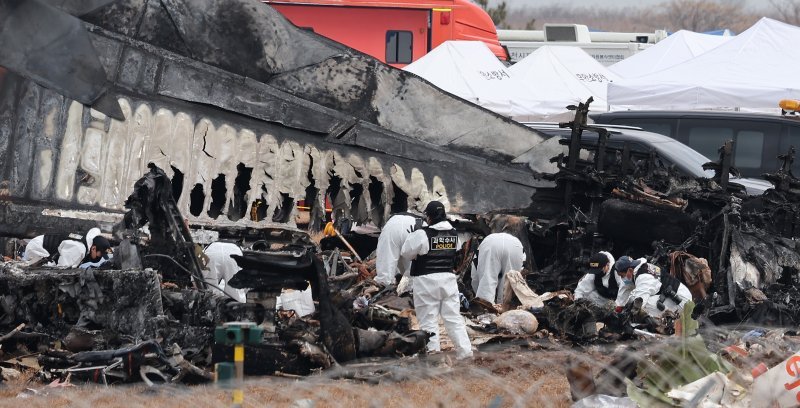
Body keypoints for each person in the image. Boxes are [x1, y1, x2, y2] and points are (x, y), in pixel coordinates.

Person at [399, 201, 473, 360]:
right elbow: (456, 252)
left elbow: (406, 253)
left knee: (428, 321)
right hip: (448, 281)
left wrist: (413, 235)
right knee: (454, 319)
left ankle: (433, 355)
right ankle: (465, 353)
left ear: (430, 217)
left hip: (426, 282)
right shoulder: (454, 234)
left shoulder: (422, 234)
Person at [615, 256, 692, 318]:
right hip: (672, 295)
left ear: (630, 270)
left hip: (681, 301)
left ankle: (660, 326)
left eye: (622, 276)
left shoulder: (644, 277)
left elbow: (639, 303)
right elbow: (624, 288)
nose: (622, 278)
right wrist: (618, 307)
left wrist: (624, 316)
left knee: (641, 306)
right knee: (633, 300)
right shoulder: (637, 268)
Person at [472, 231, 525, 304]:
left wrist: (479, 294)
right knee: (509, 282)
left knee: (487, 280)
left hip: (491, 244)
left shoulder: (479, 251)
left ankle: (485, 309)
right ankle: (503, 309)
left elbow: (475, 278)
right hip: (516, 246)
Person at [375, 213, 420, 286]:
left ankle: (384, 287)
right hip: (414, 226)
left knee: (384, 276)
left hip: (392, 226)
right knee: (412, 274)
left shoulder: (392, 221)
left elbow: (387, 260)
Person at [23, 228, 103, 268]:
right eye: (100, 255)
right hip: (37, 249)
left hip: (39, 245)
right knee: (48, 270)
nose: (99, 257)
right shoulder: (78, 248)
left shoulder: (86, 245)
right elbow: (61, 268)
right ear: (94, 249)